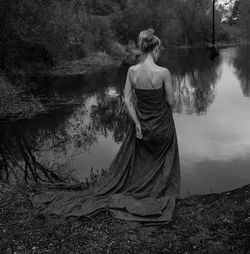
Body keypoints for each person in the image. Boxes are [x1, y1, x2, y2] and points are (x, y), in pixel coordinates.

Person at [30, 29, 181, 224]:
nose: (160, 52)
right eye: (159, 49)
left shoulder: (132, 71)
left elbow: (126, 99)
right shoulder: (163, 73)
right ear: (154, 49)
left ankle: (146, 191)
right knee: (163, 159)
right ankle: (157, 192)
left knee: (144, 158)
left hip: (142, 125)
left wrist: (137, 123)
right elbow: (170, 101)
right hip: (162, 126)